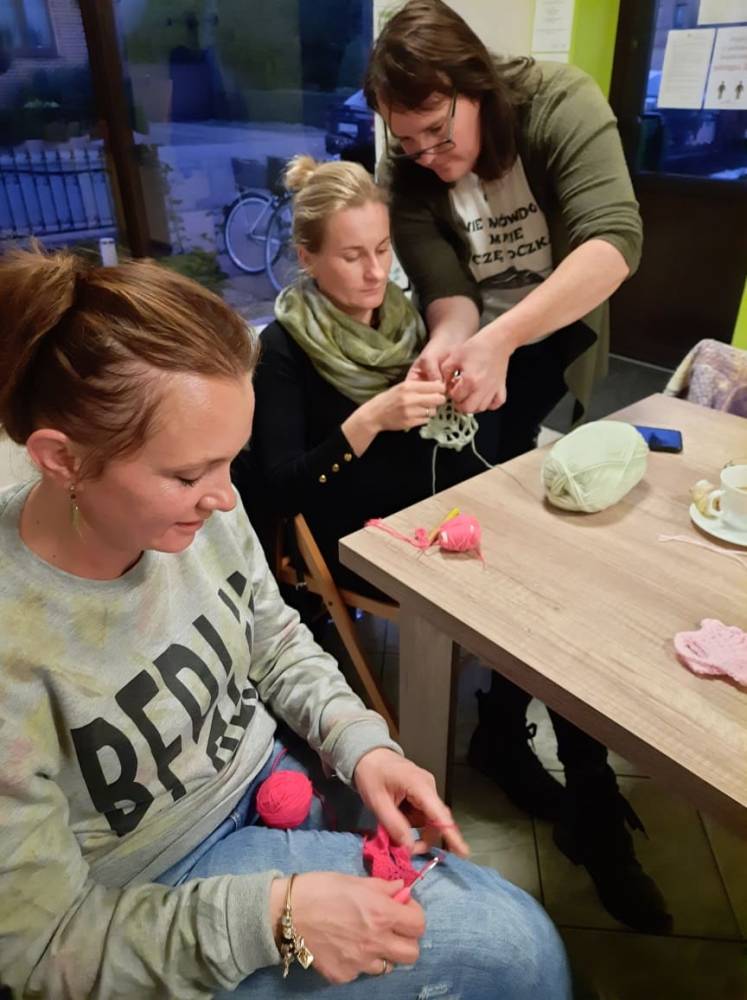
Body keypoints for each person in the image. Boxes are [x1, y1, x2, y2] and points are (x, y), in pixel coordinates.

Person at [0, 246, 571, 999]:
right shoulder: (17, 647)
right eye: (187, 474)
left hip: (269, 783)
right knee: (516, 951)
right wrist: (274, 917)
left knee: (508, 939)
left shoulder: (201, 513)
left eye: (229, 462)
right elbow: (43, 951)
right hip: (151, 890)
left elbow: (270, 638)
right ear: (62, 459)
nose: (224, 499)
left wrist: (358, 741)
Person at [364, 0, 672, 935]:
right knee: (503, 565)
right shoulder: (405, 163)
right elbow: (447, 292)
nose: (426, 156)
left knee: (557, 563)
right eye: (406, 143)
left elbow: (613, 242)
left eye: (438, 133)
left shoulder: (557, 104)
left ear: (477, 88)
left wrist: (501, 341)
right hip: (482, 362)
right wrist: (450, 345)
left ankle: (576, 787)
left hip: (553, 341)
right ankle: (511, 739)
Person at [236, 154, 501, 597]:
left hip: (434, 514)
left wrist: (474, 394)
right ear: (307, 257)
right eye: (352, 256)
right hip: (354, 541)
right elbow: (281, 492)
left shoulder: (407, 321)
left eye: (382, 249)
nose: (376, 273)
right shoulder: (282, 348)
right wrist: (370, 420)